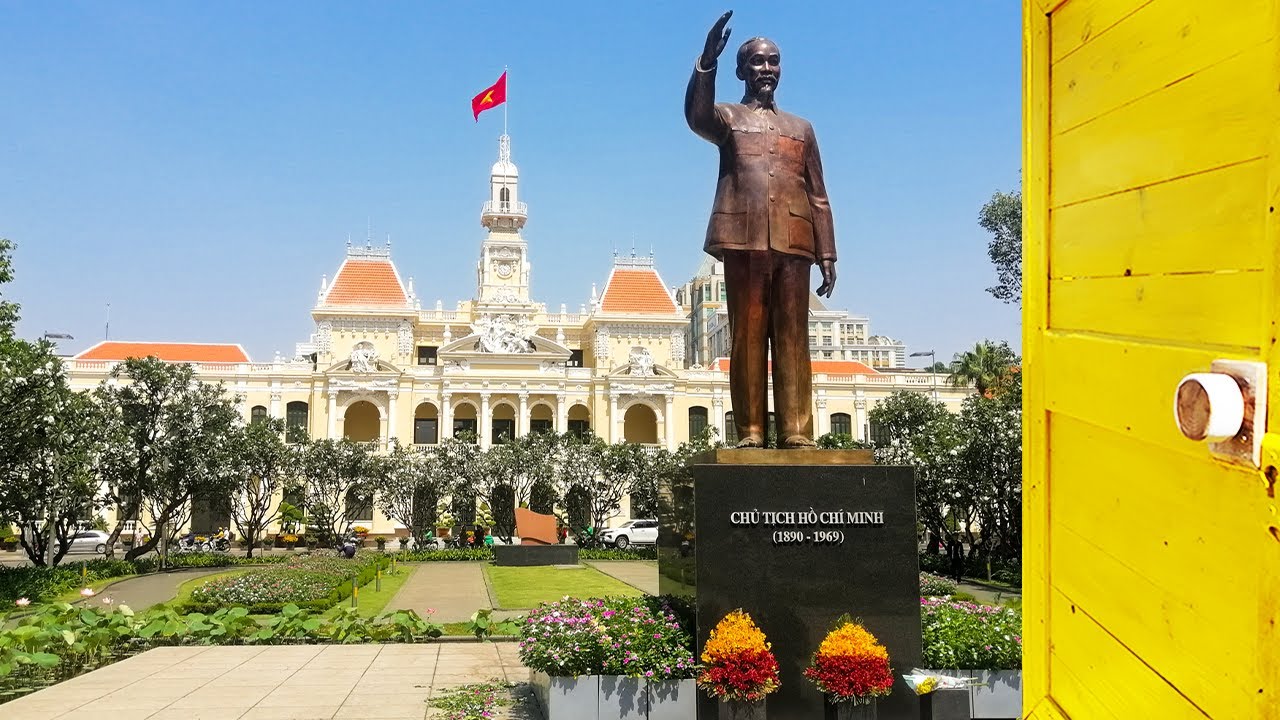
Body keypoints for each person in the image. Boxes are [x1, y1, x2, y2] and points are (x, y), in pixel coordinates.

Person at [685, 11, 838, 448]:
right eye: (756, 62)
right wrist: (705, 63)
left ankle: (796, 431)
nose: (766, 69)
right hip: (744, 239)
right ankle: (751, 431)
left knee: (793, 338)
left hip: (795, 242)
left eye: (772, 61)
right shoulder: (728, 118)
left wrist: (827, 253)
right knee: (747, 336)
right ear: (741, 70)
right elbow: (697, 117)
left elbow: (819, 194)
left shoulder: (801, 128)